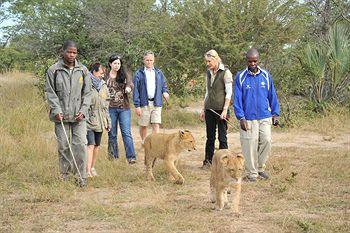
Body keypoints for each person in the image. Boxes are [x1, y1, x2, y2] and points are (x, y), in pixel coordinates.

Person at [45, 40, 92, 187]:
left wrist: (83, 111)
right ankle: (64, 175)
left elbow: (88, 93)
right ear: (63, 51)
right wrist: (57, 110)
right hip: (61, 116)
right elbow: (50, 93)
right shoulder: (53, 70)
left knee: (80, 145)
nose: (72, 55)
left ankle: (81, 177)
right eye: (69, 52)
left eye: (74, 52)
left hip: (79, 116)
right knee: (64, 146)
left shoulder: (83, 70)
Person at [233, 48, 280, 182]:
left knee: (266, 140)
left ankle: (260, 168)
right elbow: (237, 99)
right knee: (250, 145)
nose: (252, 64)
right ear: (246, 61)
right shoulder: (241, 77)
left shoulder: (265, 75)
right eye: (250, 61)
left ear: (258, 60)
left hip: (265, 116)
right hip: (248, 118)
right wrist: (241, 117)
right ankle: (252, 174)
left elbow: (272, 95)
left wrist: (275, 113)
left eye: (255, 61)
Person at [199, 49, 233, 168]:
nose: (207, 64)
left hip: (221, 109)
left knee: (222, 137)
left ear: (215, 59)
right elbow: (207, 92)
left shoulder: (226, 72)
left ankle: (225, 163)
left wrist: (225, 110)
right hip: (209, 108)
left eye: (209, 61)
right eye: (206, 61)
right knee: (210, 137)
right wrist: (203, 109)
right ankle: (208, 161)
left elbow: (229, 93)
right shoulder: (208, 72)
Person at [133, 50, 170, 145]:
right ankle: (144, 142)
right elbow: (136, 90)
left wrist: (165, 92)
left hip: (157, 102)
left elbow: (163, 85)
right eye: (147, 60)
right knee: (143, 125)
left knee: (156, 124)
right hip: (144, 103)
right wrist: (137, 105)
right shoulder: (139, 73)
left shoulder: (158, 73)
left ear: (154, 60)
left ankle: (154, 144)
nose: (149, 62)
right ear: (144, 60)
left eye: (151, 60)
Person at [106, 54, 137, 164]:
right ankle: (113, 157)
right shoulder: (105, 75)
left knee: (126, 133)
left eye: (118, 63)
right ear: (110, 64)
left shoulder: (124, 74)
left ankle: (131, 157)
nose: (117, 65)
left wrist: (128, 87)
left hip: (124, 108)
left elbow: (130, 84)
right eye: (114, 63)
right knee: (112, 133)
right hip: (110, 108)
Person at [86, 62, 111, 177]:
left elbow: (106, 105)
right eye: (101, 73)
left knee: (97, 146)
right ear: (94, 72)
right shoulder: (86, 83)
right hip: (89, 120)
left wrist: (108, 121)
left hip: (101, 120)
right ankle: (87, 170)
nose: (102, 75)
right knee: (90, 145)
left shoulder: (104, 85)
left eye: (103, 73)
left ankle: (92, 167)